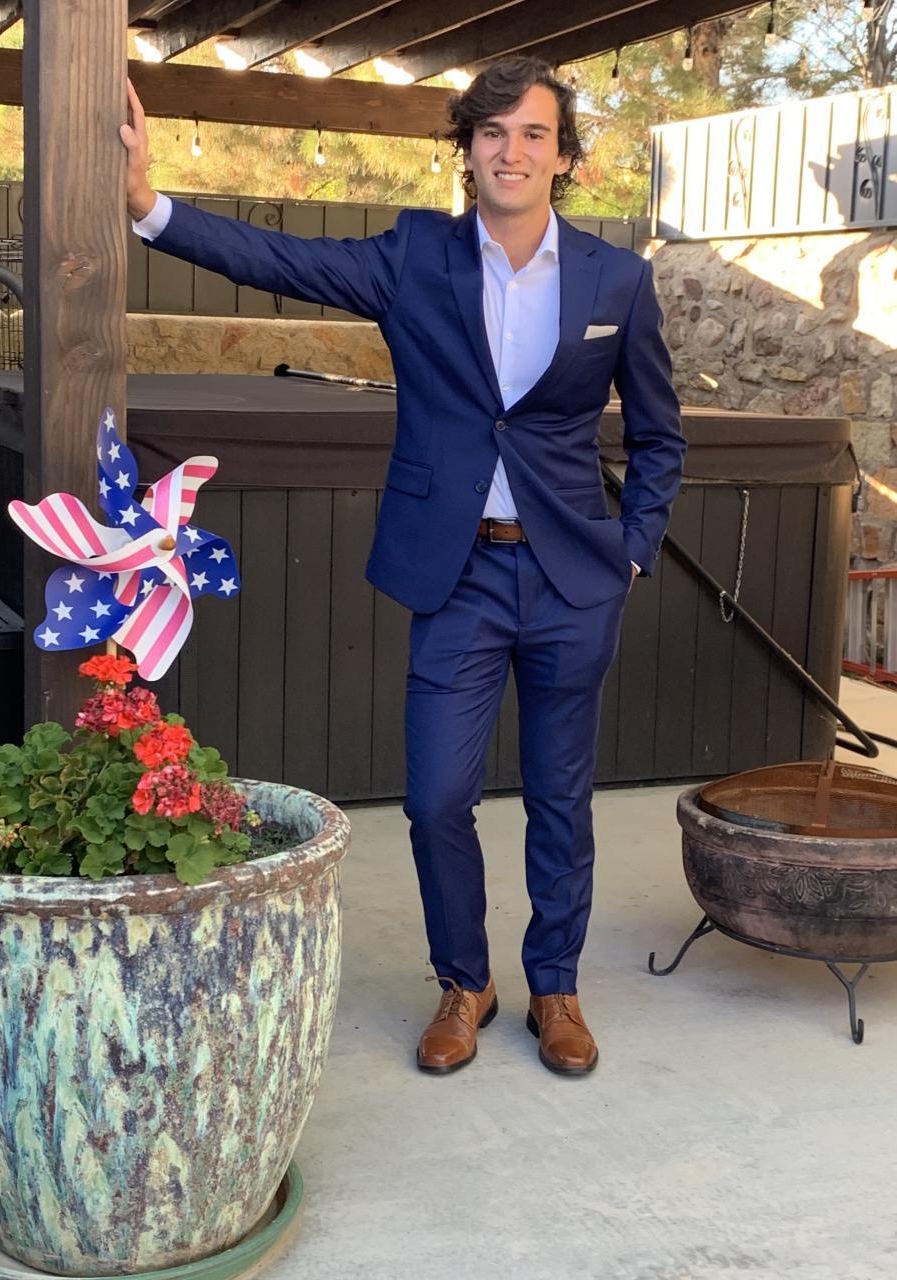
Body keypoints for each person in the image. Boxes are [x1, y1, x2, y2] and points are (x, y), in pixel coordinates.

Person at [121, 56, 685, 1078]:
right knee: (434, 798)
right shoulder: (415, 255)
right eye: (492, 132)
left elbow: (660, 434)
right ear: (468, 150)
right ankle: (465, 981)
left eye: (534, 134)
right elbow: (280, 259)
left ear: (563, 158)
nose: (512, 151)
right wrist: (149, 207)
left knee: (561, 799)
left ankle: (555, 985)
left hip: (572, 580)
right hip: (458, 575)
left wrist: (634, 550)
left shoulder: (617, 280)